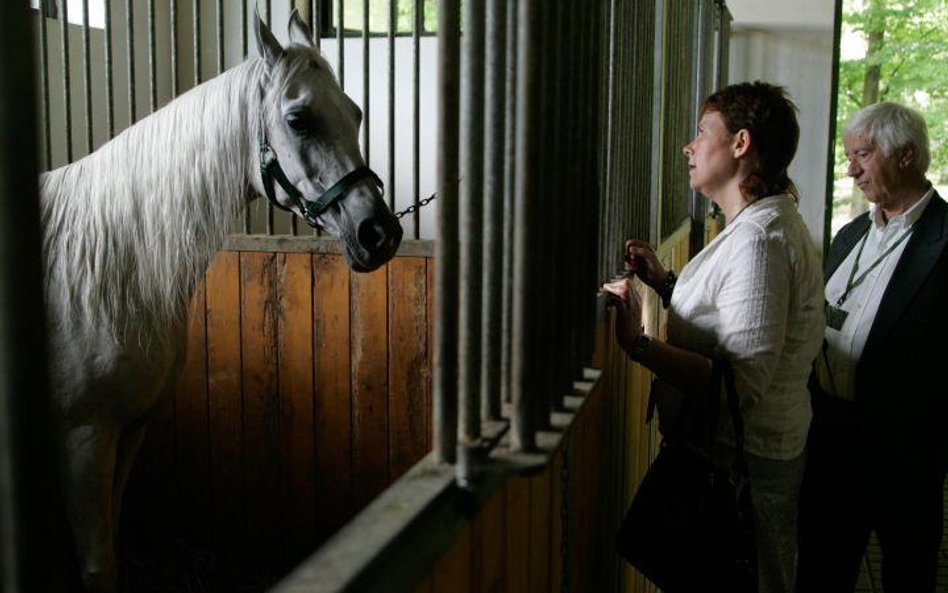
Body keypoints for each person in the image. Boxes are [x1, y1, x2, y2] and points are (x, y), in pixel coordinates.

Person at [601, 81, 825, 593]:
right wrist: (665, 282)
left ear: (741, 144)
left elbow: (738, 384)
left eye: (703, 132)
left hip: (742, 466)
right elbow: (735, 322)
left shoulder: (761, 241)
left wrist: (639, 344)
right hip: (735, 457)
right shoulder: (755, 227)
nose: (689, 145)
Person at [796, 102, 947, 592]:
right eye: (848, 156)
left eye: (861, 154)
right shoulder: (853, 232)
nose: (851, 169)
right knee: (821, 570)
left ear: (904, 155)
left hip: (904, 449)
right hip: (830, 436)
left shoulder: (946, 241)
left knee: (907, 574)